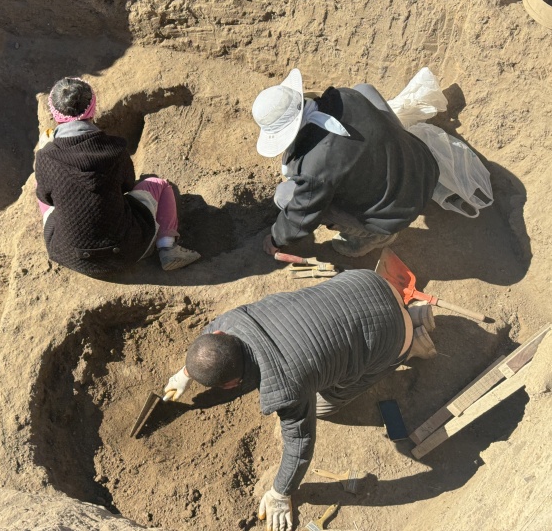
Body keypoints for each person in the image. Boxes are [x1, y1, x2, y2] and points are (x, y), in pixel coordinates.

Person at [163, 269, 437, 531]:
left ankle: (413, 342)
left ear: (232, 384)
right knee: (350, 334)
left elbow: (300, 444)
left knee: (323, 405)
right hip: (368, 281)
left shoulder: (288, 386)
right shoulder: (232, 321)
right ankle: (414, 314)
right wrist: (187, 372)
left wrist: (281, 492)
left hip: (391, 337)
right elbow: (210, 344)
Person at [252, 69, 440, 258]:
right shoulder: (344, 96)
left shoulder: (314, 168)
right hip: (424, 166)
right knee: (364, 90)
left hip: (396, 212)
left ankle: (377, 235)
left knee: (285, 195)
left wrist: (276, 238)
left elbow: (299, 217)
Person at [35, 77, 200, 276]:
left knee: (42, 188)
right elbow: (128, 185)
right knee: (160, 184)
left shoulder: (46, 157)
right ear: (92, 108)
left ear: (55, 113)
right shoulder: (115, 148)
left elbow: (46, 198)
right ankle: (167, 247)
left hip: (71, 256)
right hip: (128, 251)